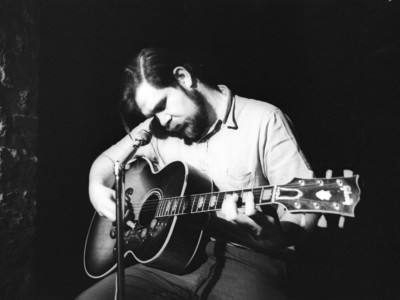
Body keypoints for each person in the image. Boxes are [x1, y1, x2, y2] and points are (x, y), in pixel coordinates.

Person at [76, 47, 317, 300]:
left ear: (183, 78)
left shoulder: (265, 120)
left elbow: (304, 209)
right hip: (170, 259)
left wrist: (274, 234)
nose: (162, 120)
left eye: (162, 105)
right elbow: (105, 162)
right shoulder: (157, 128)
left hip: (250, 260)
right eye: (152, 115)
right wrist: (97, 189)